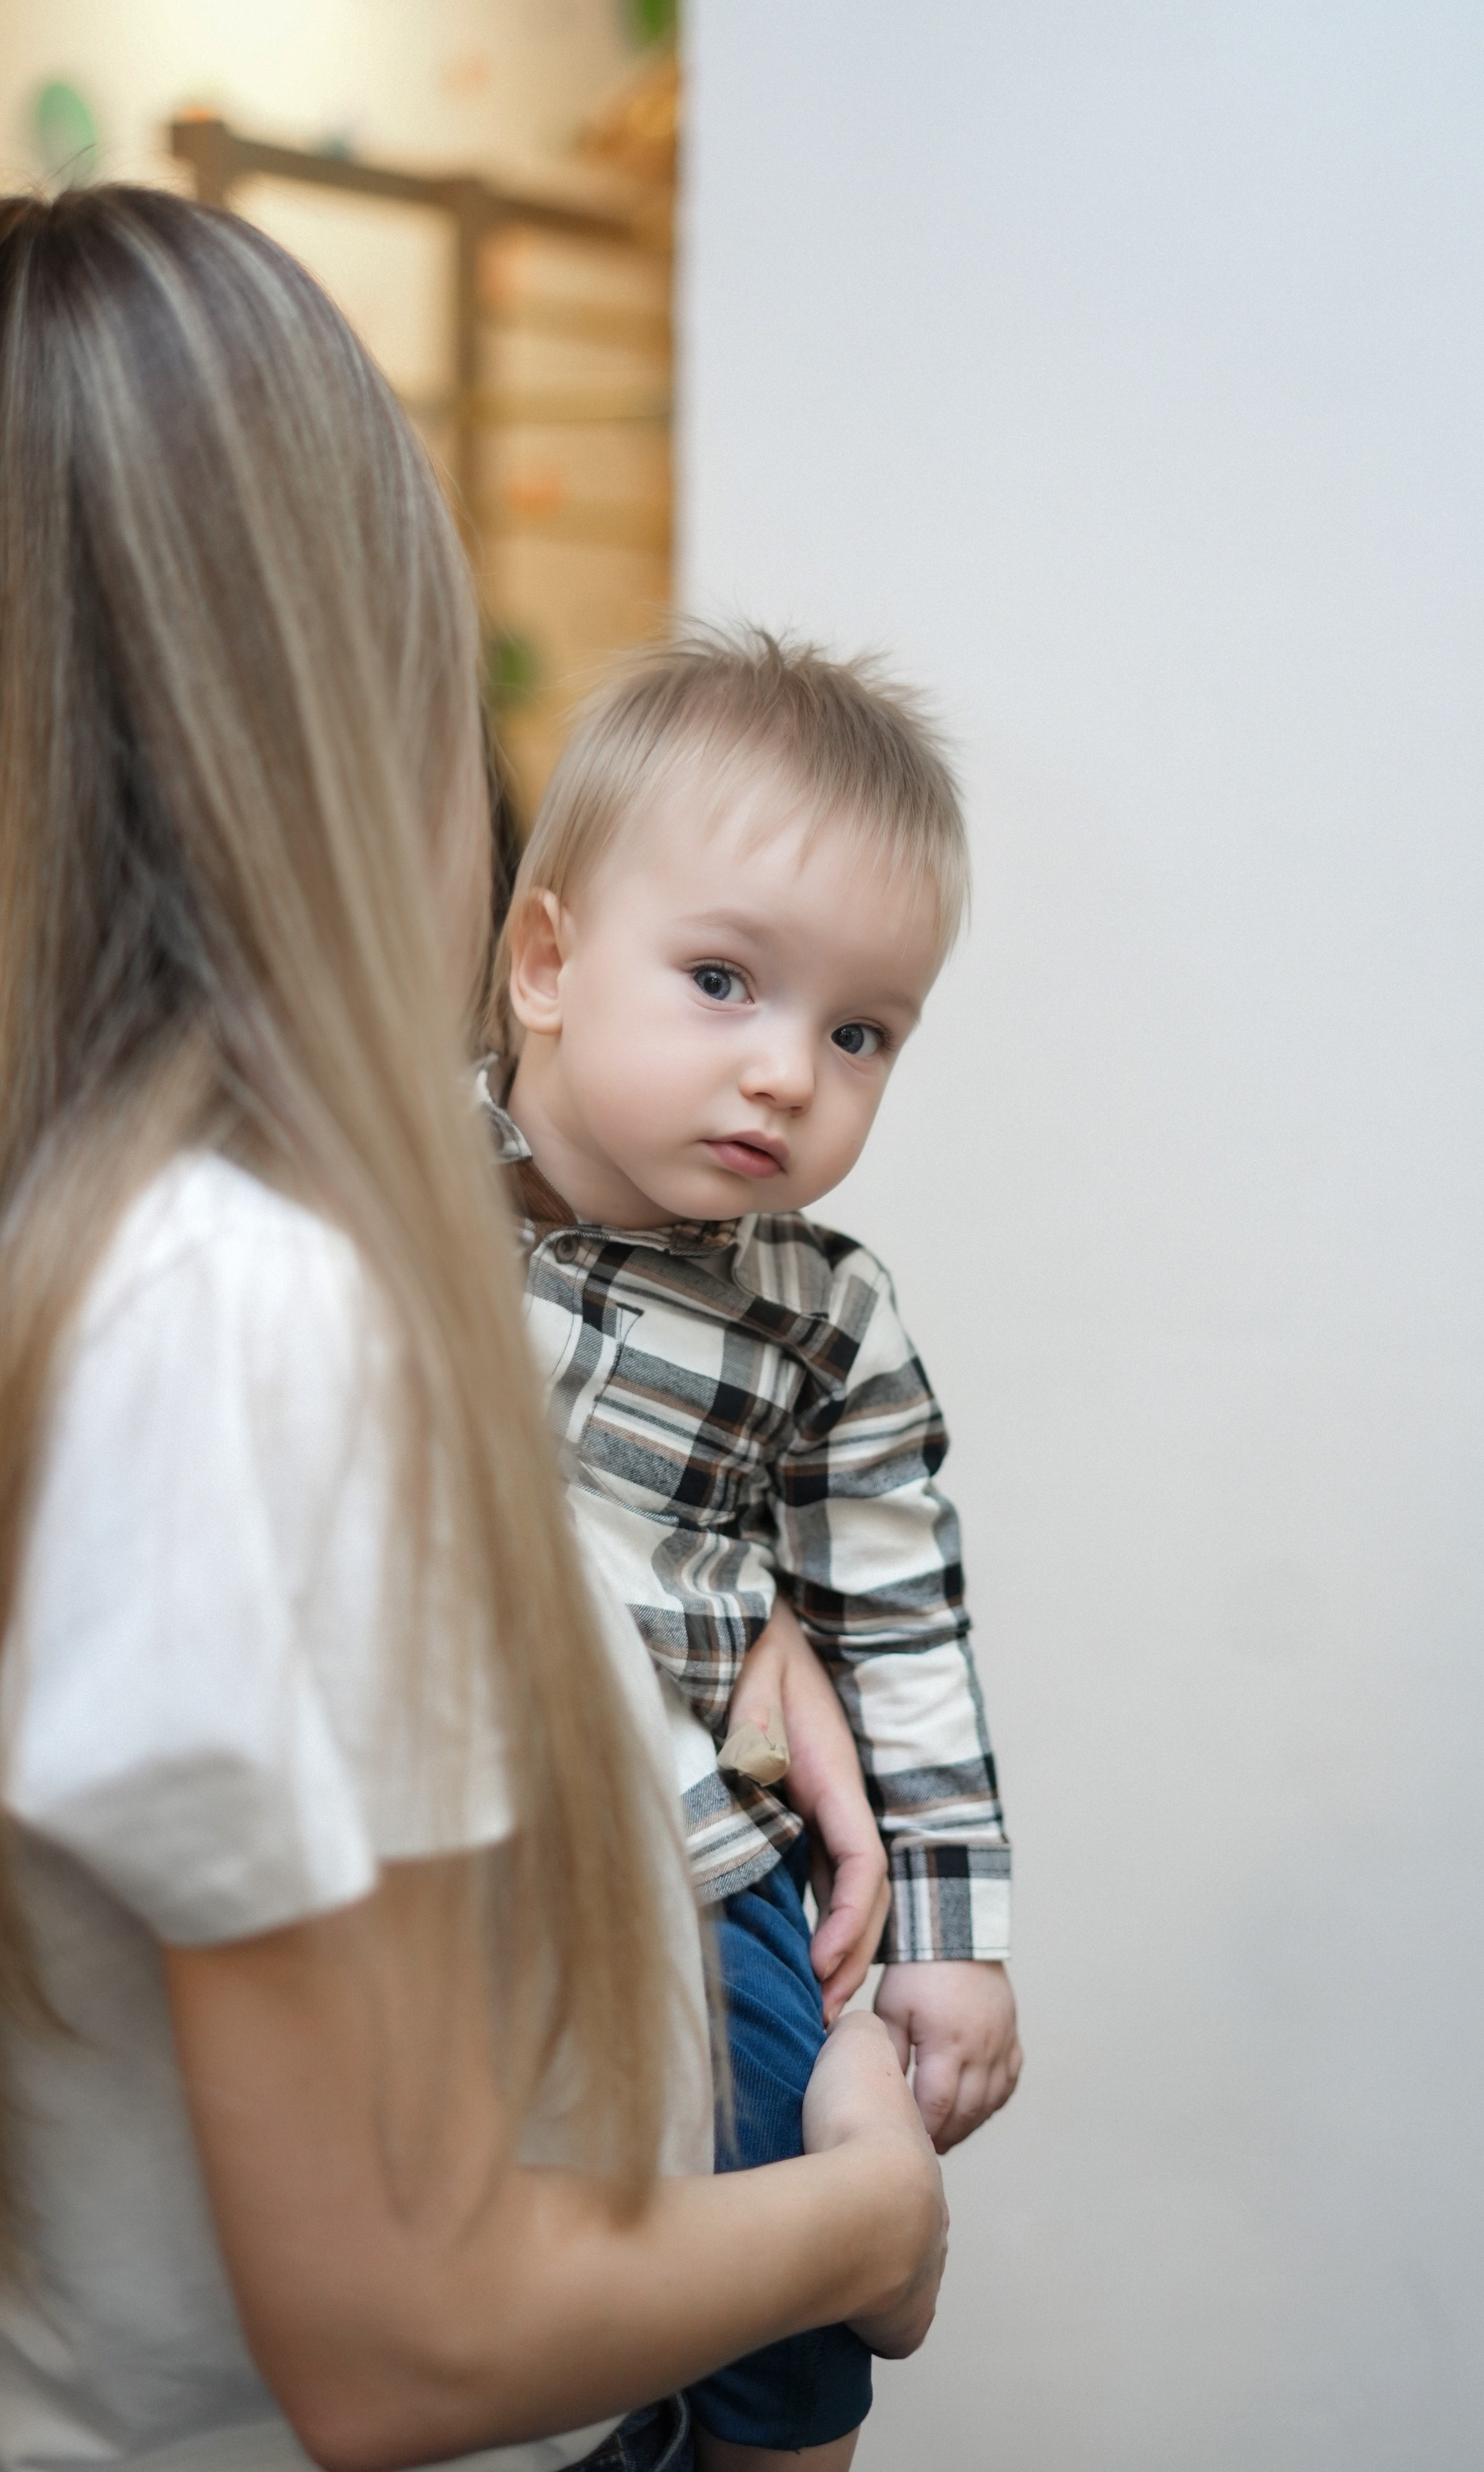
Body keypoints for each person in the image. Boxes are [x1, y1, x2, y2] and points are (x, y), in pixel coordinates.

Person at [0, 187, 947, 2472]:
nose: (779, 1071)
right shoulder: (243, 1321)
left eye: (862, 1031)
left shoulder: (153, 1249)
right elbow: (404, 2333)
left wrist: (713, 1630)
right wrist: (863, 2222)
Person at [480, 631, 1023, 2471]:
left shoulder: (827, 1313)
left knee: (780, 2132)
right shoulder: (401, 1180)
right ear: (545, 962)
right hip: (440, 1810)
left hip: (695, 1851)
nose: (788, 1070)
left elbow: (902, 1620)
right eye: (723, 980)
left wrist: (951, 1938)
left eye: (860, 1029)